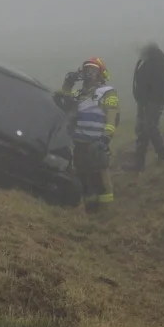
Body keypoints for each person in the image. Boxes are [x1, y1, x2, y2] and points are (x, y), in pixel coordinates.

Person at [58, 57, 119, 212]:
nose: (89, 73)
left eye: (93, 69)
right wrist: (68, 83)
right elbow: (65, 103)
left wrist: (105, 139)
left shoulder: (107, 92)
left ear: (101, 74)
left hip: (96, 143)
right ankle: (89, 211)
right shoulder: (79, 94)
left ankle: (107, 214)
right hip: (79, 143)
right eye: (86, 69)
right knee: (82, 177)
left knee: (101, 177)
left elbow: (112, 116)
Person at [124, 41, 164, 172]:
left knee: (148, 128)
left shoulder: (156, 59)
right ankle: (146, 160)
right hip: (145, 101)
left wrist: (149, 101)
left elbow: (158, 84)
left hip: (152, 101)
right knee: (143, 129)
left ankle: (160, 155)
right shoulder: (146, 58)